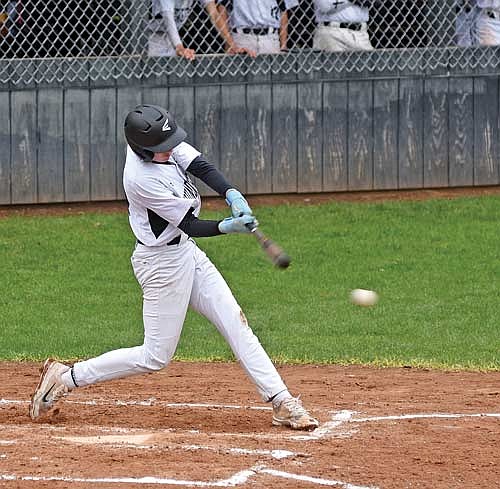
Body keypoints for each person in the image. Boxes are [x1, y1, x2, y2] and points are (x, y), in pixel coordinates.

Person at [29, 104, 319, 432]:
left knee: (236, 322)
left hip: (186, 253)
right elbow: (191, 224)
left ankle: (281, 402)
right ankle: (65, 378)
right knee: (155, 356)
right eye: (163, 149)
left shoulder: (158, 142)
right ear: (143, 150)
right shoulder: (140, 179)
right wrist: (227, 227)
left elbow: (198, 164)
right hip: (160, 264)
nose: (170, 151)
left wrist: (230, 192)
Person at [148, 0, 254, 59]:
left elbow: (214, 14)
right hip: (151, 37)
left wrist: (231, 44)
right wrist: (179, 47)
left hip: (172, 39)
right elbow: (168, 17)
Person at [215, 0, 299, 55]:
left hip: (270, 37)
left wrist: (283, 45)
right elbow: (222, 9)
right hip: (242, 37)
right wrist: (229, 43)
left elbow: (283, 10)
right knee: (241, 78)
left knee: (271, 78)